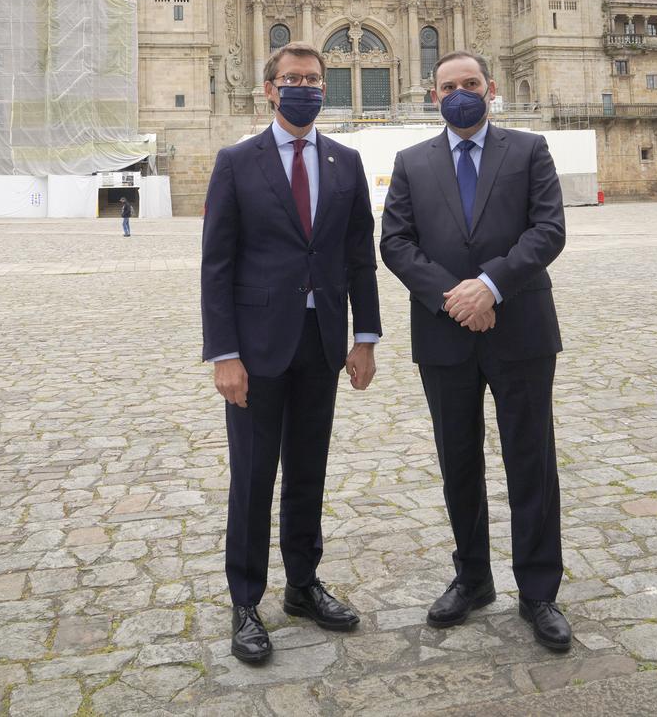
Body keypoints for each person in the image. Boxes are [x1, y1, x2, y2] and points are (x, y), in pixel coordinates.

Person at [380, 50, 572, 653]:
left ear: (490, 89)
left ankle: (538, 590)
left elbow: (548, 229)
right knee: (458, 462)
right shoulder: (411, 162)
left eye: (470, 83)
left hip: (521, 331)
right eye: (448, 86)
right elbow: (395, 243)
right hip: (444, 334)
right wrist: (453, 296)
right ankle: (472, 578)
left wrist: (489, 284)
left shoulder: (529, 150)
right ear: (433, 95)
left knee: (530, 461)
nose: (460, 93)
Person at [201, 42, 381, 665]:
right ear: (270, 88)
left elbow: (360, 254)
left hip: (321, 344)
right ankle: (246, 602)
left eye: (313, 78)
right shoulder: (236, 161)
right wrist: (224, 353)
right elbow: (217, 266)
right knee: (253, 476)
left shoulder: (346, 161)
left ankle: (303, 586)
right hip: (254, 349)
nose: (304, 86)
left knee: (309, 470)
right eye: (292, 78)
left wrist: (365, 337)